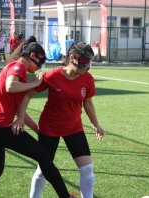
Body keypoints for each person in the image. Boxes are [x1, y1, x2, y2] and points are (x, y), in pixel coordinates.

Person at [0, 36, 73, 198]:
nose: (40, 67)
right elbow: (10, 86)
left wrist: (37, 129)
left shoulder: (21, 74)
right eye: (40, 62)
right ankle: (65, 196)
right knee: (43, 156)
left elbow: (20, 112)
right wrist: (35, 84)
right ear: (32, 55)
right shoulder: (17, 66)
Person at [14, 42, 105, 198]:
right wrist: (20, 118)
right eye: (83, 61)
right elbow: (28, 95)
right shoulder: (52, 75)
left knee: (87, 169)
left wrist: (96, 124)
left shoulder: (88, 79)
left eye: (89, 62)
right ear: (72, 58)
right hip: (49, 128)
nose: (86, 66)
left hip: (74, 128)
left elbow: (88, 103)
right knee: (43, 169)